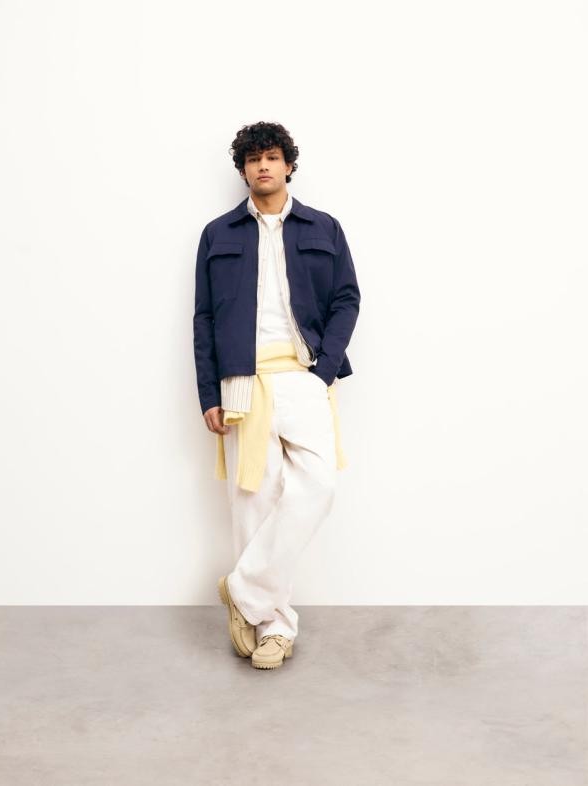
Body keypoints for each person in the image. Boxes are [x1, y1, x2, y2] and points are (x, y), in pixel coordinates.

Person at [193, 121, 361, 669]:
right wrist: (209, 392)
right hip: (242, 380)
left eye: (271, 157)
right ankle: (275, 628)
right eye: (252, 159)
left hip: (303, 375)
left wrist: (324, 371)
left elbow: (347, 299)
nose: (262, 166)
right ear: (243, 170)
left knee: (318, 486)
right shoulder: (218, 234)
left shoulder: (324, 227)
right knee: (254, 502)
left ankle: (242, 590)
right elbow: (204, 318)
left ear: (288, 165)